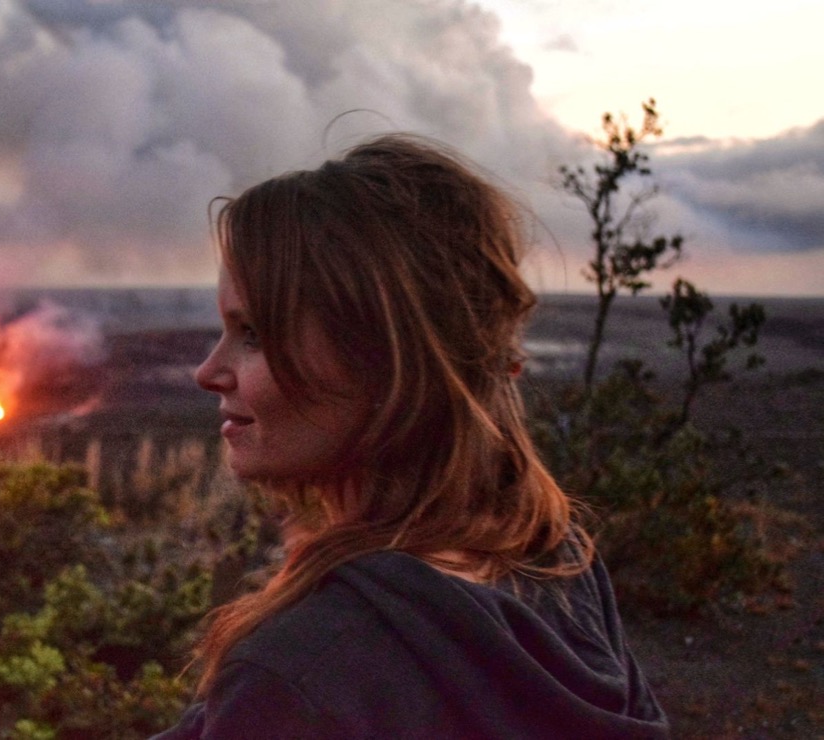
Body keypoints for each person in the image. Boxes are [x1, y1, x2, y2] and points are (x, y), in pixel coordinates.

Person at [155, 134, 668, 739]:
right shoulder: (558, 563)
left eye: (254, 334)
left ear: (387, 360)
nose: (207, 372)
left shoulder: (307, 671)